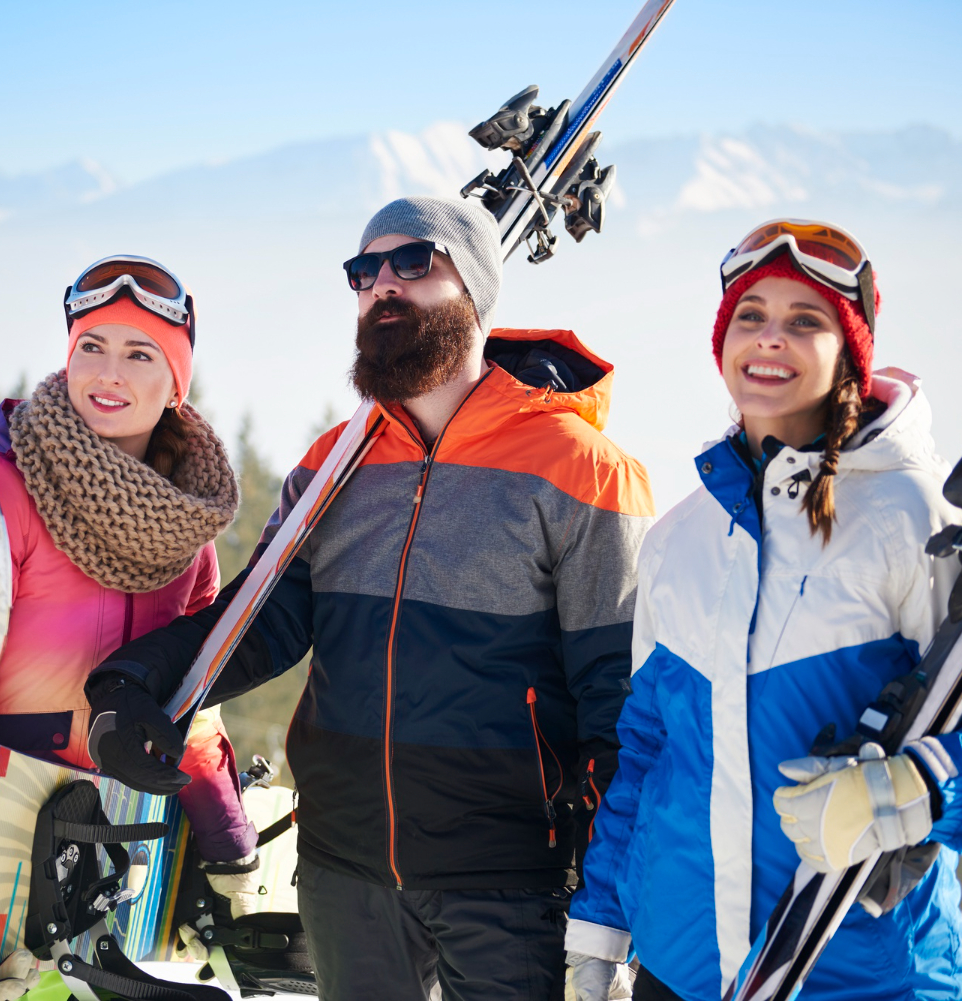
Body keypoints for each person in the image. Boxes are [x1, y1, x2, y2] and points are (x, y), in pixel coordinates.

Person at [84, 196, 656, 1001]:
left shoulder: (582, 468)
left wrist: (612, 898)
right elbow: (260, 618)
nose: (382, 284)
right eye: (364, 271)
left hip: (507, 880)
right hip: (343, 866)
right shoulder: (337, 463)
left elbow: (618, 705)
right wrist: (133, 681)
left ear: (477, 289)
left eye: (413, 263)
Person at [562, 219, 962, 1001]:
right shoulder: (680, 539)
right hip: (680, 969)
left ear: (849, 353)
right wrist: (600, 931)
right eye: (751, 315)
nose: (770, 339)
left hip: (856, 972)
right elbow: (648, 753)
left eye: (805, 321)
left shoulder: (911, 515)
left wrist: (919, 787)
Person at [0, 254, 255, 999]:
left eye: (139, 353)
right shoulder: (0, 492)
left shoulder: (188, 542)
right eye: (91, 346)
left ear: (176, 383)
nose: (108, 372)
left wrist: (229, 847)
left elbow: (194, 709)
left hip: (95, 878)